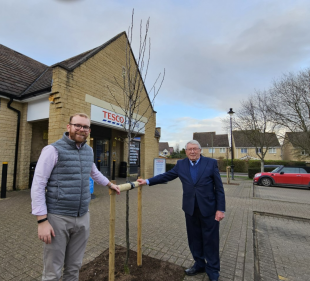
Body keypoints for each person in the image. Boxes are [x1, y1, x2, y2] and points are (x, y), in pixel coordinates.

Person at [31, 113, 120, 281]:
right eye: (77, 125)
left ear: (89, 130)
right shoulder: (52, 150)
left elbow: (93, 171)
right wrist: (42, 221)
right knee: (53, 272)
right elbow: (38, 185)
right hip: (58, 218)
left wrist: (109, 184)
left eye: (85, 127)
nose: (81, 129)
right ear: (69, 126)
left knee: (74, 269)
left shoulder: (88, 150)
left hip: (82, 217)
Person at [137, 140, 225, 281]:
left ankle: (213, 270)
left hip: (209, 209)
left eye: (195, 149)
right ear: (186, 151)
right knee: (194, 238)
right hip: (190, 209)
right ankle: (199, 264)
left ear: (200, 150)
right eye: (189, 149)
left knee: (211, 240)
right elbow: (166, 176)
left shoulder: (211, 163)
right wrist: (147, 181)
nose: (192, 152)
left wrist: (221, 209)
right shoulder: (181, 164)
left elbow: (219, 188)